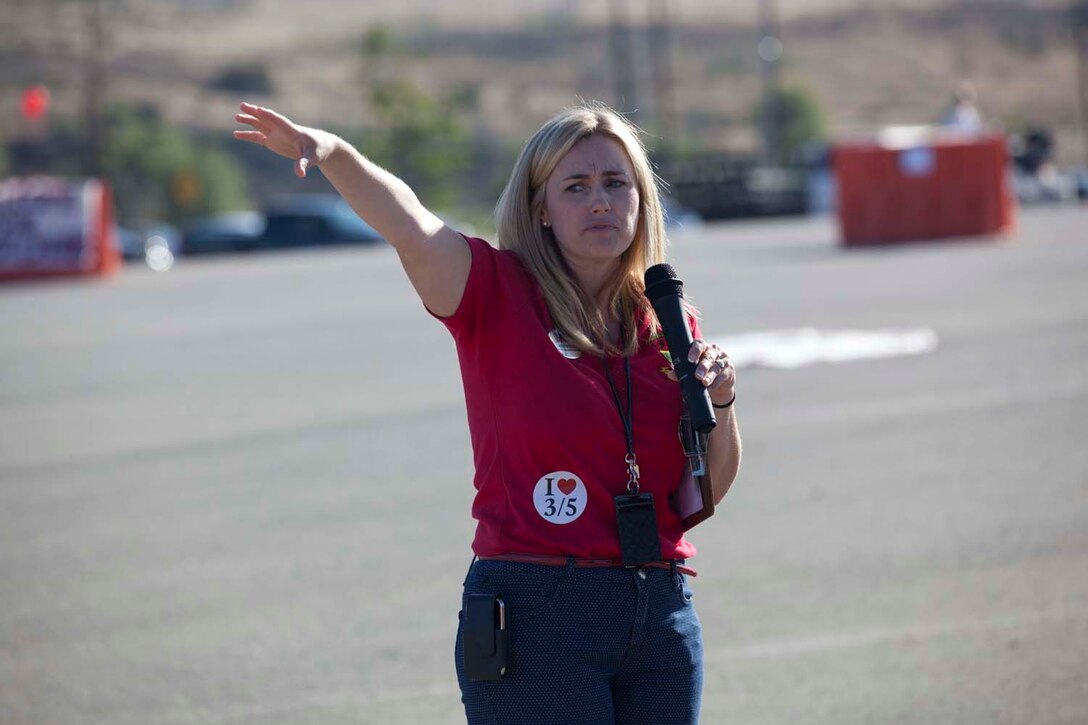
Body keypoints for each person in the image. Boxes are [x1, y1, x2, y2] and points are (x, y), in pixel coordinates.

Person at [233, 100, 742, 724]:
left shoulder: (668, 317)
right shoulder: (494, 291)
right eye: (576, 187)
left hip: (660, 611)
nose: (601, 202)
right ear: (540, 211)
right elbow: (409, 223)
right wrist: (333, 153)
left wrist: (720, 399)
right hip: (538, 612)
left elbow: (706, 488)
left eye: (616, 182)